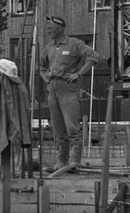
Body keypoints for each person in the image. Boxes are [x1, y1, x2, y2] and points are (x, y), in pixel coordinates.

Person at [37, 14, 98, 170]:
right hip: (53, 89)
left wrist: (78, 74)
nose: (48, 30)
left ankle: (74, 161)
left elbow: (93, 56)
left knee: (71, 126)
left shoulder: (74, 44)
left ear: (60, 28)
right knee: (58, 127)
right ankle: (62, 161)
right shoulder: (49, 47)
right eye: (47, 28)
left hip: (68, 88)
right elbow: (41, 67)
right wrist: (47, 80)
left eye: (51, 28)